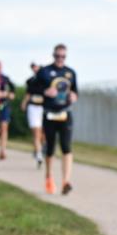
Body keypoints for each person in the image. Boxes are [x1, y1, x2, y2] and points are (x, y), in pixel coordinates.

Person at [33, 44, 77, 195]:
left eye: (63, 56)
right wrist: (45, 91)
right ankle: (49, 176)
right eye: (57, 56)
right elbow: (33, 88)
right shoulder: (44, 72)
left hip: (65, 113)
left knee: (66, 146)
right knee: (50, 148)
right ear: (53, 55)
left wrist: (74, 96)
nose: (60, 59)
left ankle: (66, 181)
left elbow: (75, 91)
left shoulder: (70, 73)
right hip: (49, 113)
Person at [21, 62, 45, 168]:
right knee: (36, 132)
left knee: (43, 134)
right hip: (33, 108)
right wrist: (24, 103)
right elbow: (28, 93)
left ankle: (38, 148)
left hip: (44, 108)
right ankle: (39, 155)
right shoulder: (30, 81)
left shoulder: (46, 80)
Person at [0, 61, 16, 160]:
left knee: (4, 127)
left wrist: (8, 94)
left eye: (0, 67)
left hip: (4, 106)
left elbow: (12, 90)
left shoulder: (5, 78)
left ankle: (2, 150)